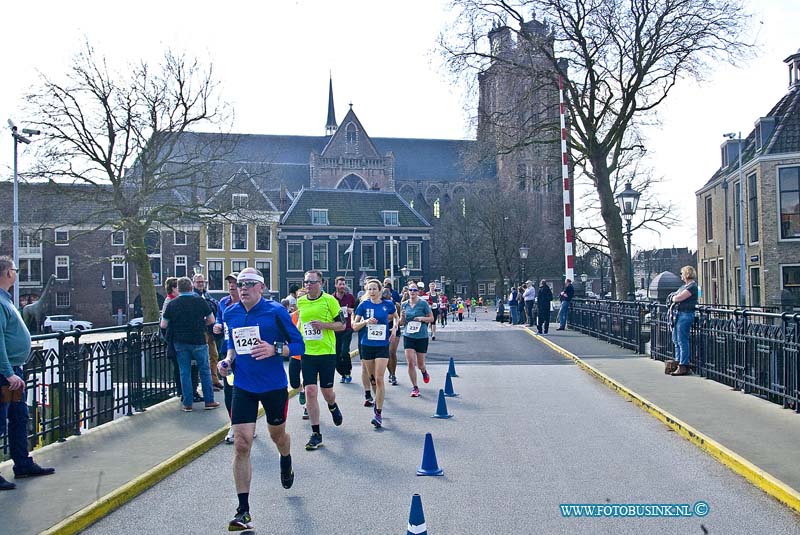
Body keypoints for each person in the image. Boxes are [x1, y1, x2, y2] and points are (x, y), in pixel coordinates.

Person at [217, 268, 305, 531]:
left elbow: (299, 345)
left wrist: (275, 349)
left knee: (278, 435)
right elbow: (231, 345)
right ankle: (243, 511)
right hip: (243, 385)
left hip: (273, 386)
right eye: (239, 284)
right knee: (241, 444)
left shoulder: (275, 311)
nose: (242, 288)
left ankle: (286, 457)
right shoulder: (230, 312)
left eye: (248, 284)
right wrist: (227, 362)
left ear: (261, 287)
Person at [0, 256, 55, 490]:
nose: (16, 272)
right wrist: (8, 372)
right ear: (6, 273)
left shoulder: (6, 300)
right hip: (7, 374)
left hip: (15, 371)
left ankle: (22, 463)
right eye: (14, 269)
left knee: (19, 417)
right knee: (0, 422)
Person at [296, 270, 345, 450]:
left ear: (321, 283)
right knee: (309, 391)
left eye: (312, 282)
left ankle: (332, 406)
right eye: (306, 282)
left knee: (327, 391)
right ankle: (316, 433)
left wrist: (323, 326)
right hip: (307, 353)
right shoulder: (300, 302)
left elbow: (342, 324)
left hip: (326, 352)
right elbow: (300, 323)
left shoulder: (330, 301)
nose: (308, 285)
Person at [161, 277, 220, 412]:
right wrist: (200, 323)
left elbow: (163, 324)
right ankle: (209, 401)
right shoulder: (200, 301)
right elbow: (212, 320)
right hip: (199, 340)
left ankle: (187, 404)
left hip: (180, 342)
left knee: (184, 372)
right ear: (191, 287)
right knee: (204, 371)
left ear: (179, 289)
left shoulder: (172, 304)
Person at [352, 279, 399, 428]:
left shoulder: (388, 304)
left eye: (374, 289)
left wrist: (394, 328)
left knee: (379, 378)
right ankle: (376, 399)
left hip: (382, 345)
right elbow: (354, 326)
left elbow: (396, 316)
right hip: (367, 345)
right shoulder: (363, 305)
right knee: (372, 379)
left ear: (379, 290)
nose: (372, 291)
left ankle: (378, 413)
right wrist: (365, 322)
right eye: (369, 289)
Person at [214, 273, 242, 444]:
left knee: (245, 390)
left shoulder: (247, 304)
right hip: (227, 353)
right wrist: (217, 325)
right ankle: (234, 424)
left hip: (246, 354)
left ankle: (246, 423)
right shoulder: (223, 303)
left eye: (235, 283)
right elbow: (219, 318)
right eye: (230, 283)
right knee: (229, 389)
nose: (231, 286)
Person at [400, 282, 434, 397]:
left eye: (415, 290)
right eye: (410, 290)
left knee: (420, 364)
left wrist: (421, 318)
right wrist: (403, 317)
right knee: (410, 362)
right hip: (408, 335)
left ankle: (424, 372)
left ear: (418, 292)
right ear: (407, 291)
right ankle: (415, 387)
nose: (412, 292)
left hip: (421, 336)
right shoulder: (404, 304)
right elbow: (401, 322)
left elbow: (431, 318)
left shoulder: (423, 304)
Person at [192, 273, 224, 391]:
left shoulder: (206, 294)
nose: (201, 284)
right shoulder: (194, 296)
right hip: (201, 331)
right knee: (205, 357)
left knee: (214, 355)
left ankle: (214, 380)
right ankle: (209, 383)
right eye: (198, 282)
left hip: (210, 330)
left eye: (202, 282)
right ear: (194, 283)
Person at [670, 266, 699, 377]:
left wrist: (675, 297)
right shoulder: (685, 286)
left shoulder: (692, 287)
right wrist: (674, 296)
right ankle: (678, 363)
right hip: (679, 315)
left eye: (682, 273)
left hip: (686, 315)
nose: (680, 275)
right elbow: (674, 295)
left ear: (686, 274)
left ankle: (683, 365)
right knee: (676, 340)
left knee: (682, 341)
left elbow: (677, 298)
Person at [333, 276, 356, 383]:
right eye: (340, 284)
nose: (342, 286)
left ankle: (347, 372)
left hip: (347, 328)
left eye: (344, 284)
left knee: (344, 351)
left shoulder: (350, 297)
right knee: (336, 354)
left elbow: (356, 310)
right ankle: (342, 373)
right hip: (336, 329)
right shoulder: (331, 299)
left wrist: (350, 310)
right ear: (336, 285)